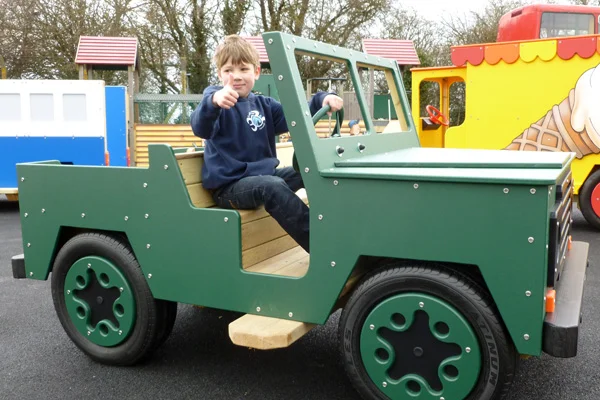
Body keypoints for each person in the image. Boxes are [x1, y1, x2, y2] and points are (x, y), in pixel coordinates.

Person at [190, 35, 343, 253]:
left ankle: (342, 228)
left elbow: (297, 116)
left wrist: (322, 99)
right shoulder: (215, 99)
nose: (236, 77)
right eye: (228, 71)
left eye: (243, 69)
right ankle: (326, 248)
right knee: (271, 186)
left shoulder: (264, 105)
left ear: (257, 72)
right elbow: (200, 127)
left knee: (310, 172)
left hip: (263, 179)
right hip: (230, 187)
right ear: (219, 74)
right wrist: (213, 103)